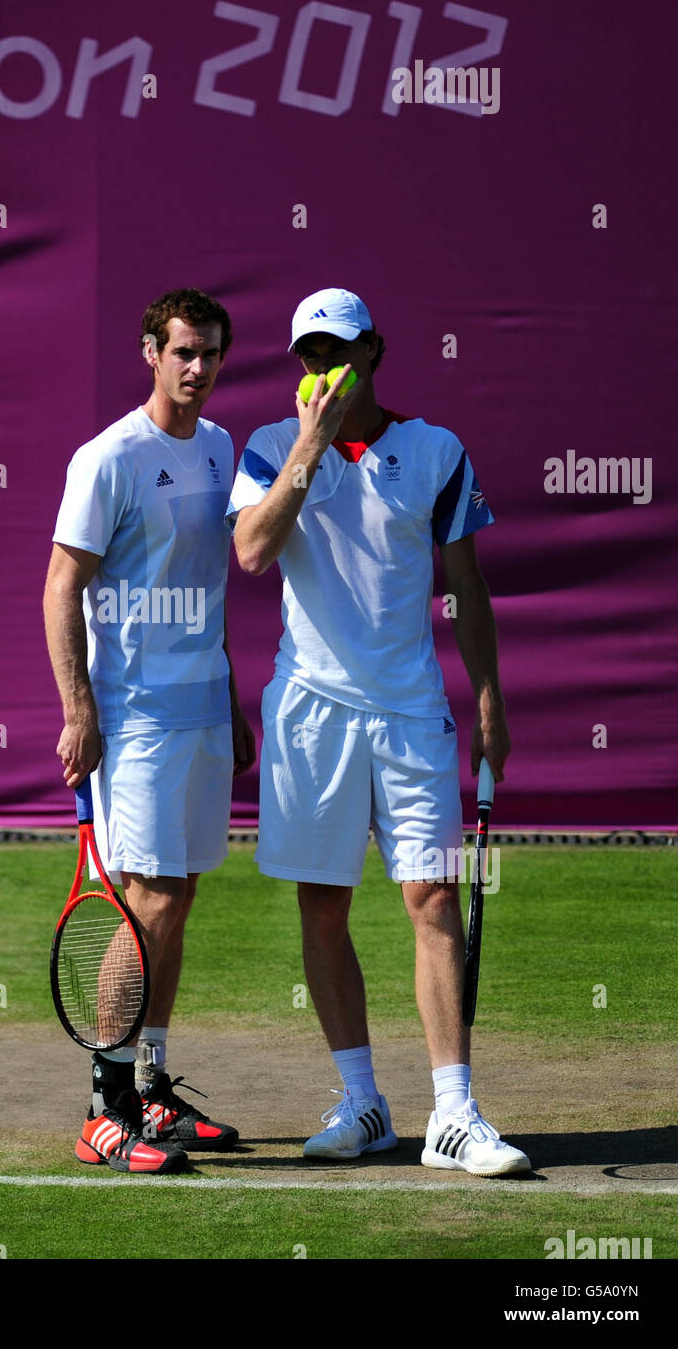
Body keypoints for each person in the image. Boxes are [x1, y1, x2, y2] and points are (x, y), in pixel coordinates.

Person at [228, 288, 530, 1177]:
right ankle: (362, 1103)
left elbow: (465, 585)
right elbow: (250, 553)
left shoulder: (436, 451)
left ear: (376, 353)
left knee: (431, 898)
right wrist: (310, 451)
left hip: (409, 713)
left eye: (341, 350)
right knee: (321, 904)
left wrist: (488, 700)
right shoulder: (268, 448)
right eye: (310, 353)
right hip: (308, 712)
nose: (325, 366)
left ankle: (454, 1113)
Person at [44, 287, 255, 1174]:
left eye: (209, 353)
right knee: (149, 904)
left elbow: (208, 593)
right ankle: (105, 1106)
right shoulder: (107, 459)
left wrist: (233, 696)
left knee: (180, 897)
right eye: (183, 352)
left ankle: (153, 1086)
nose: (197, 368)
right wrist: (78, 710)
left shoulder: (219, 449)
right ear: (149, 353)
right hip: (131, 722)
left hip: (203, 707)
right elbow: (61, 586)